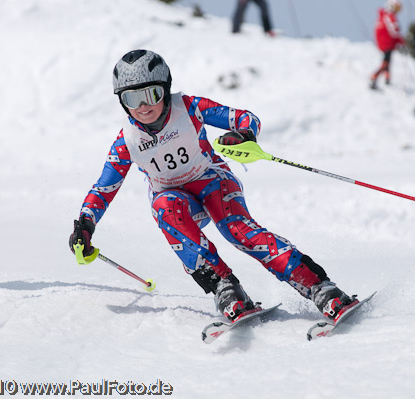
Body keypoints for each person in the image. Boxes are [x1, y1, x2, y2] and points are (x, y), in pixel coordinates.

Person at [69, 49, 358, 324]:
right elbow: (103, 189)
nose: (143, 106)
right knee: (163, 207)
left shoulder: (190, 108)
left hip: (212, 182)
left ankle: (320, 287)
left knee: (238, 231)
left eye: (151, 94)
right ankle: (226, 289)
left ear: (165, 90)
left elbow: (246, 118)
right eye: (132, 99)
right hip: (177, 202)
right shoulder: (127, 141)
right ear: (122, 102)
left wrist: (243, 134)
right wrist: (85, 224)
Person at [370, 0, 405, 90]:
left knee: (387, 61)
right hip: (386, 43)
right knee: (386, 62)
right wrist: (400, 40)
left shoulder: (383, 16)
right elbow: (394, 31)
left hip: (386, 43)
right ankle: (375, 77)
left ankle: (387, 78)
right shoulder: (389, 17)